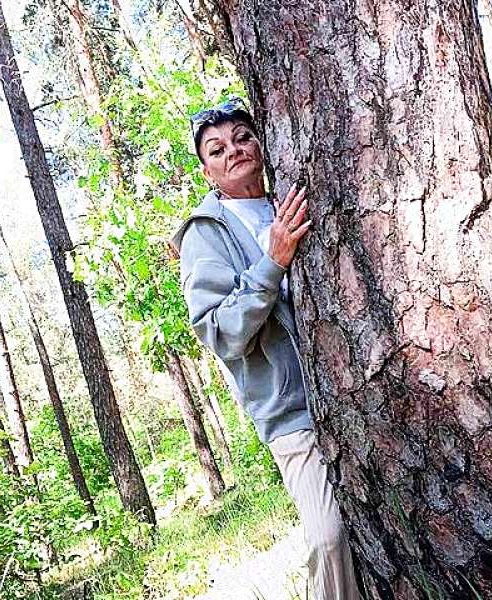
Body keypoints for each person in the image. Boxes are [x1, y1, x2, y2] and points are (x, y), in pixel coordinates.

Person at [170, 97, 359, 599]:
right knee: (329, 536)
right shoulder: (204, 234)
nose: (233, 151)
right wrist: (272, 262)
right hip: (290, 410)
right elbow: (218, 331)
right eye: (216, 149)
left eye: (242, 138)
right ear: (207, 171)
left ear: (261, 143)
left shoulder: (289, 197)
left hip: (353, 393)